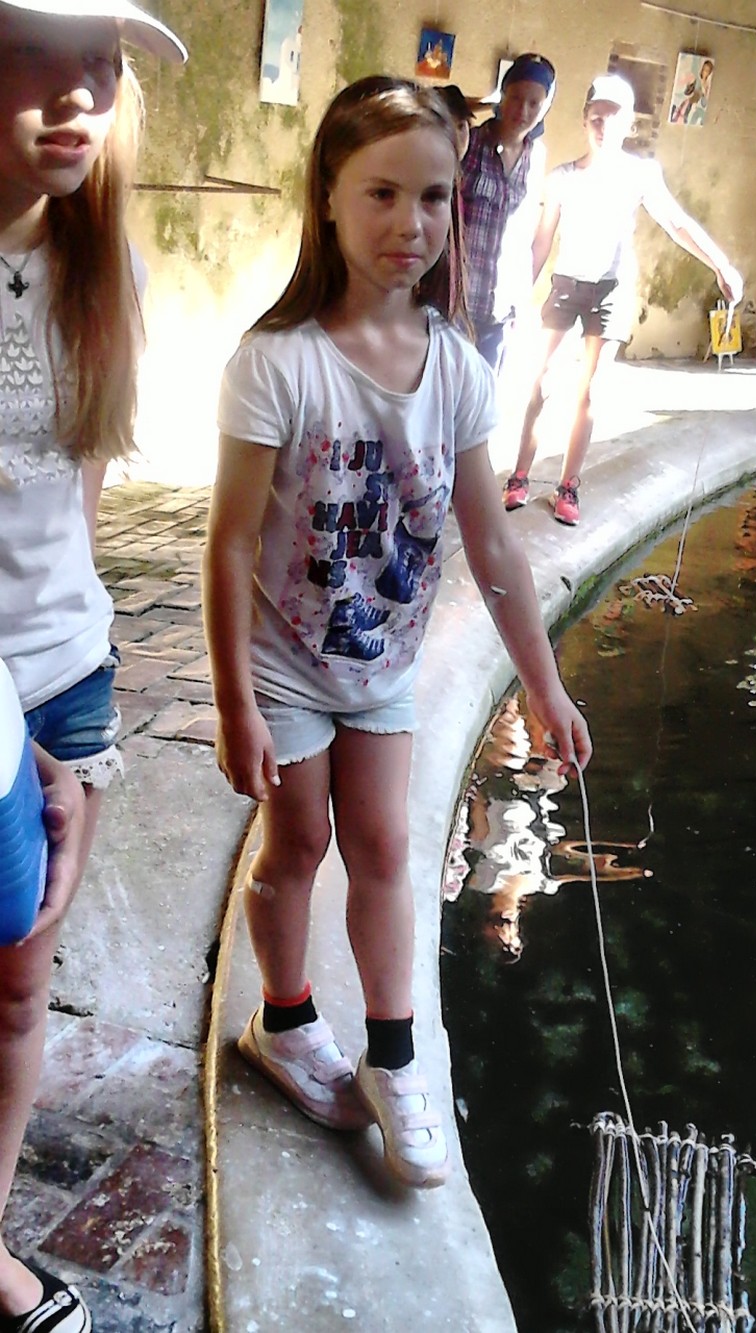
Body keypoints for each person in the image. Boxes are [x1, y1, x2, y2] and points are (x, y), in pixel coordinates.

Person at [203, 76, 592, 1191]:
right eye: (380, 192)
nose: (409, 223)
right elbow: (231, 542)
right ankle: (283, 1022)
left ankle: (394, 1054)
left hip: (382, 663)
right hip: (284, 663)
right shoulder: (277, 362)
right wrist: (233, 702)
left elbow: (494, 540)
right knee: (298, 845)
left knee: (384, 849)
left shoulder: (457, 366)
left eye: (431, 197)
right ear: (327, 195)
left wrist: (546, 685)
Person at [0, 0, 186, 1326]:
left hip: (67, 675)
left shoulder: (102, 261)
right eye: (36, 57)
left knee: (21, 992)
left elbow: (81, 497)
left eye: (101, 68)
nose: (76, 96)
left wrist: (70, 673)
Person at [502, 74, 743, 526]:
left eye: (613, 119)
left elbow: (676, 223)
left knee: (591, 390)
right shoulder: (562, 178)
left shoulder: (641, 174)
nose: (603, 126)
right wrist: (518, 296)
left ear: (629, 123)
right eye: (596, 117)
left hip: (611, 289)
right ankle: (519, 475)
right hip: (567, 285)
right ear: (584, 119)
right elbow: (542, 242)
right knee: (542, 381)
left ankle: (568, 486)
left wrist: (721, 265)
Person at [459, 52, 556, 369]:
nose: (523, 111)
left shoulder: (536, 158)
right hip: (455, 305)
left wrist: (522, 302)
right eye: (515, 98)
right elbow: (435, 103)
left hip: (499, 311)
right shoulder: (468, 144)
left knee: (485, 397)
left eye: (534, 103)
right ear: (502, 95)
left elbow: (524, 233)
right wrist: (485, 103)